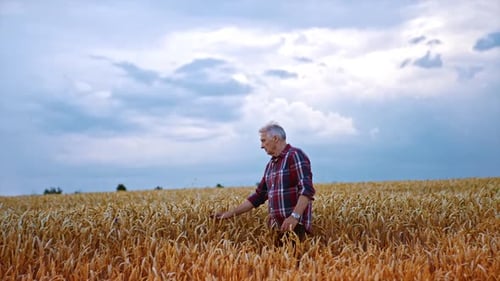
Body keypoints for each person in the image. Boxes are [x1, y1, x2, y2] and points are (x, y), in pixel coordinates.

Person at [214, 122, 315, 245]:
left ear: (275, 138)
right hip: (277, 229)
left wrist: (294, 217)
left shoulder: (294, 156)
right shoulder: (271, 165)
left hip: (295, 227)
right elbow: (259, 196)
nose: (261, 146)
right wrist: (229, 214)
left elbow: (307, 190)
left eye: (263, 140)